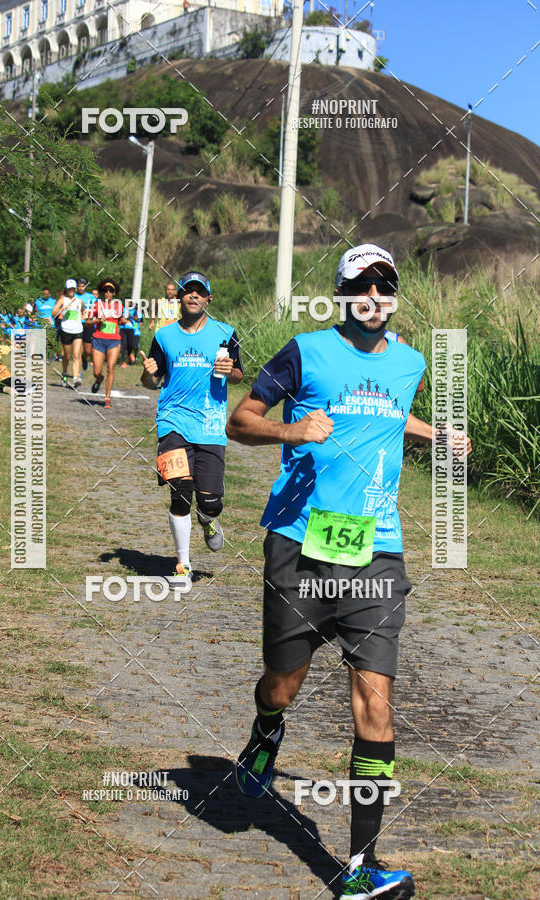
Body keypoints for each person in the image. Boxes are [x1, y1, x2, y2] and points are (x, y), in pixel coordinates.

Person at [227, 243, 455, 900]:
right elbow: (241, 420)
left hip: (377, 553)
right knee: (282, 682)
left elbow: (383, 412)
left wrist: (434, 435)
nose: (376, 296)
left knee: (375, 703)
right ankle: (265, 734)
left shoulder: (410, 362)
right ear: (342, 291)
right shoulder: (305, 352)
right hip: (300, 546)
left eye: (386, 286)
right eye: (364, 285)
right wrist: (290, 434)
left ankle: (359, 866)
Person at [140, 271, 244, 582]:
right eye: (188, 291)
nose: (193, 296)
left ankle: (207, 519)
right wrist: (147, 374)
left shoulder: (226, 333)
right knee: (180, 492)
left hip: (211, 425)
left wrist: (231, 371)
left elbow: (239, 375)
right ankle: (183, 564)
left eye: (200, 292)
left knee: (210, 502)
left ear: (209, 298)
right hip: (172, 421)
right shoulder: (164, 336)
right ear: (180, 297)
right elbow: (151, 382)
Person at [88, 278, 123, 409]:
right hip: (98, 339)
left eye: (111, 290)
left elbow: (123, 319)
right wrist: (97, 320)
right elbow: (87, 321)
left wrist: (124, 320)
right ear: (103, 293)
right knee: (97, 371)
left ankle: (107, 398)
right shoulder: (96, 305)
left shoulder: (119, 306)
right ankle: (99, 379)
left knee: (110, 367)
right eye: (105, 290)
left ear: (114, 293)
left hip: (114, 340)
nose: (108, 293)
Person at [52, 278, 85, 388]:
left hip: (78, 330)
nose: (71, 290)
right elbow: (53, 313)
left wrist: (84, 317)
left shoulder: (79, 301)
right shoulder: (62, 300)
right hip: (66, 330)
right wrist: (62, 309)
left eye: (73, 289)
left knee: (76, 355)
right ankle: (65, 373)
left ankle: (76, 378)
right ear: (66, 289)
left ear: (75, 289)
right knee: (67, 356)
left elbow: (83, 312)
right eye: (69, 289)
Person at [76, 277, 96, 371]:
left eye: (83, 286)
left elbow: (96, 309)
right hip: (77, 324)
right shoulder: (74, 297)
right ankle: (78, 371)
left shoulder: (91, 297)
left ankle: (84, 358)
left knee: (88, 350)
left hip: (88, 324)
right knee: (78, 350)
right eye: (79, 286)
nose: (81, 288)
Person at [119, 301, 141, 367]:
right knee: (124, 345)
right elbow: (119, 317)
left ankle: (130, 354)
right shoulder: (122, 309)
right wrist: (122, 319)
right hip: (123, 329)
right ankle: (123, 362)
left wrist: (129, 315)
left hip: (131, 329)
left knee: (131, 345)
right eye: (127, 302)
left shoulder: (134, 311)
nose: (128, 304)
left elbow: (137, 319)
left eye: (129, 303)